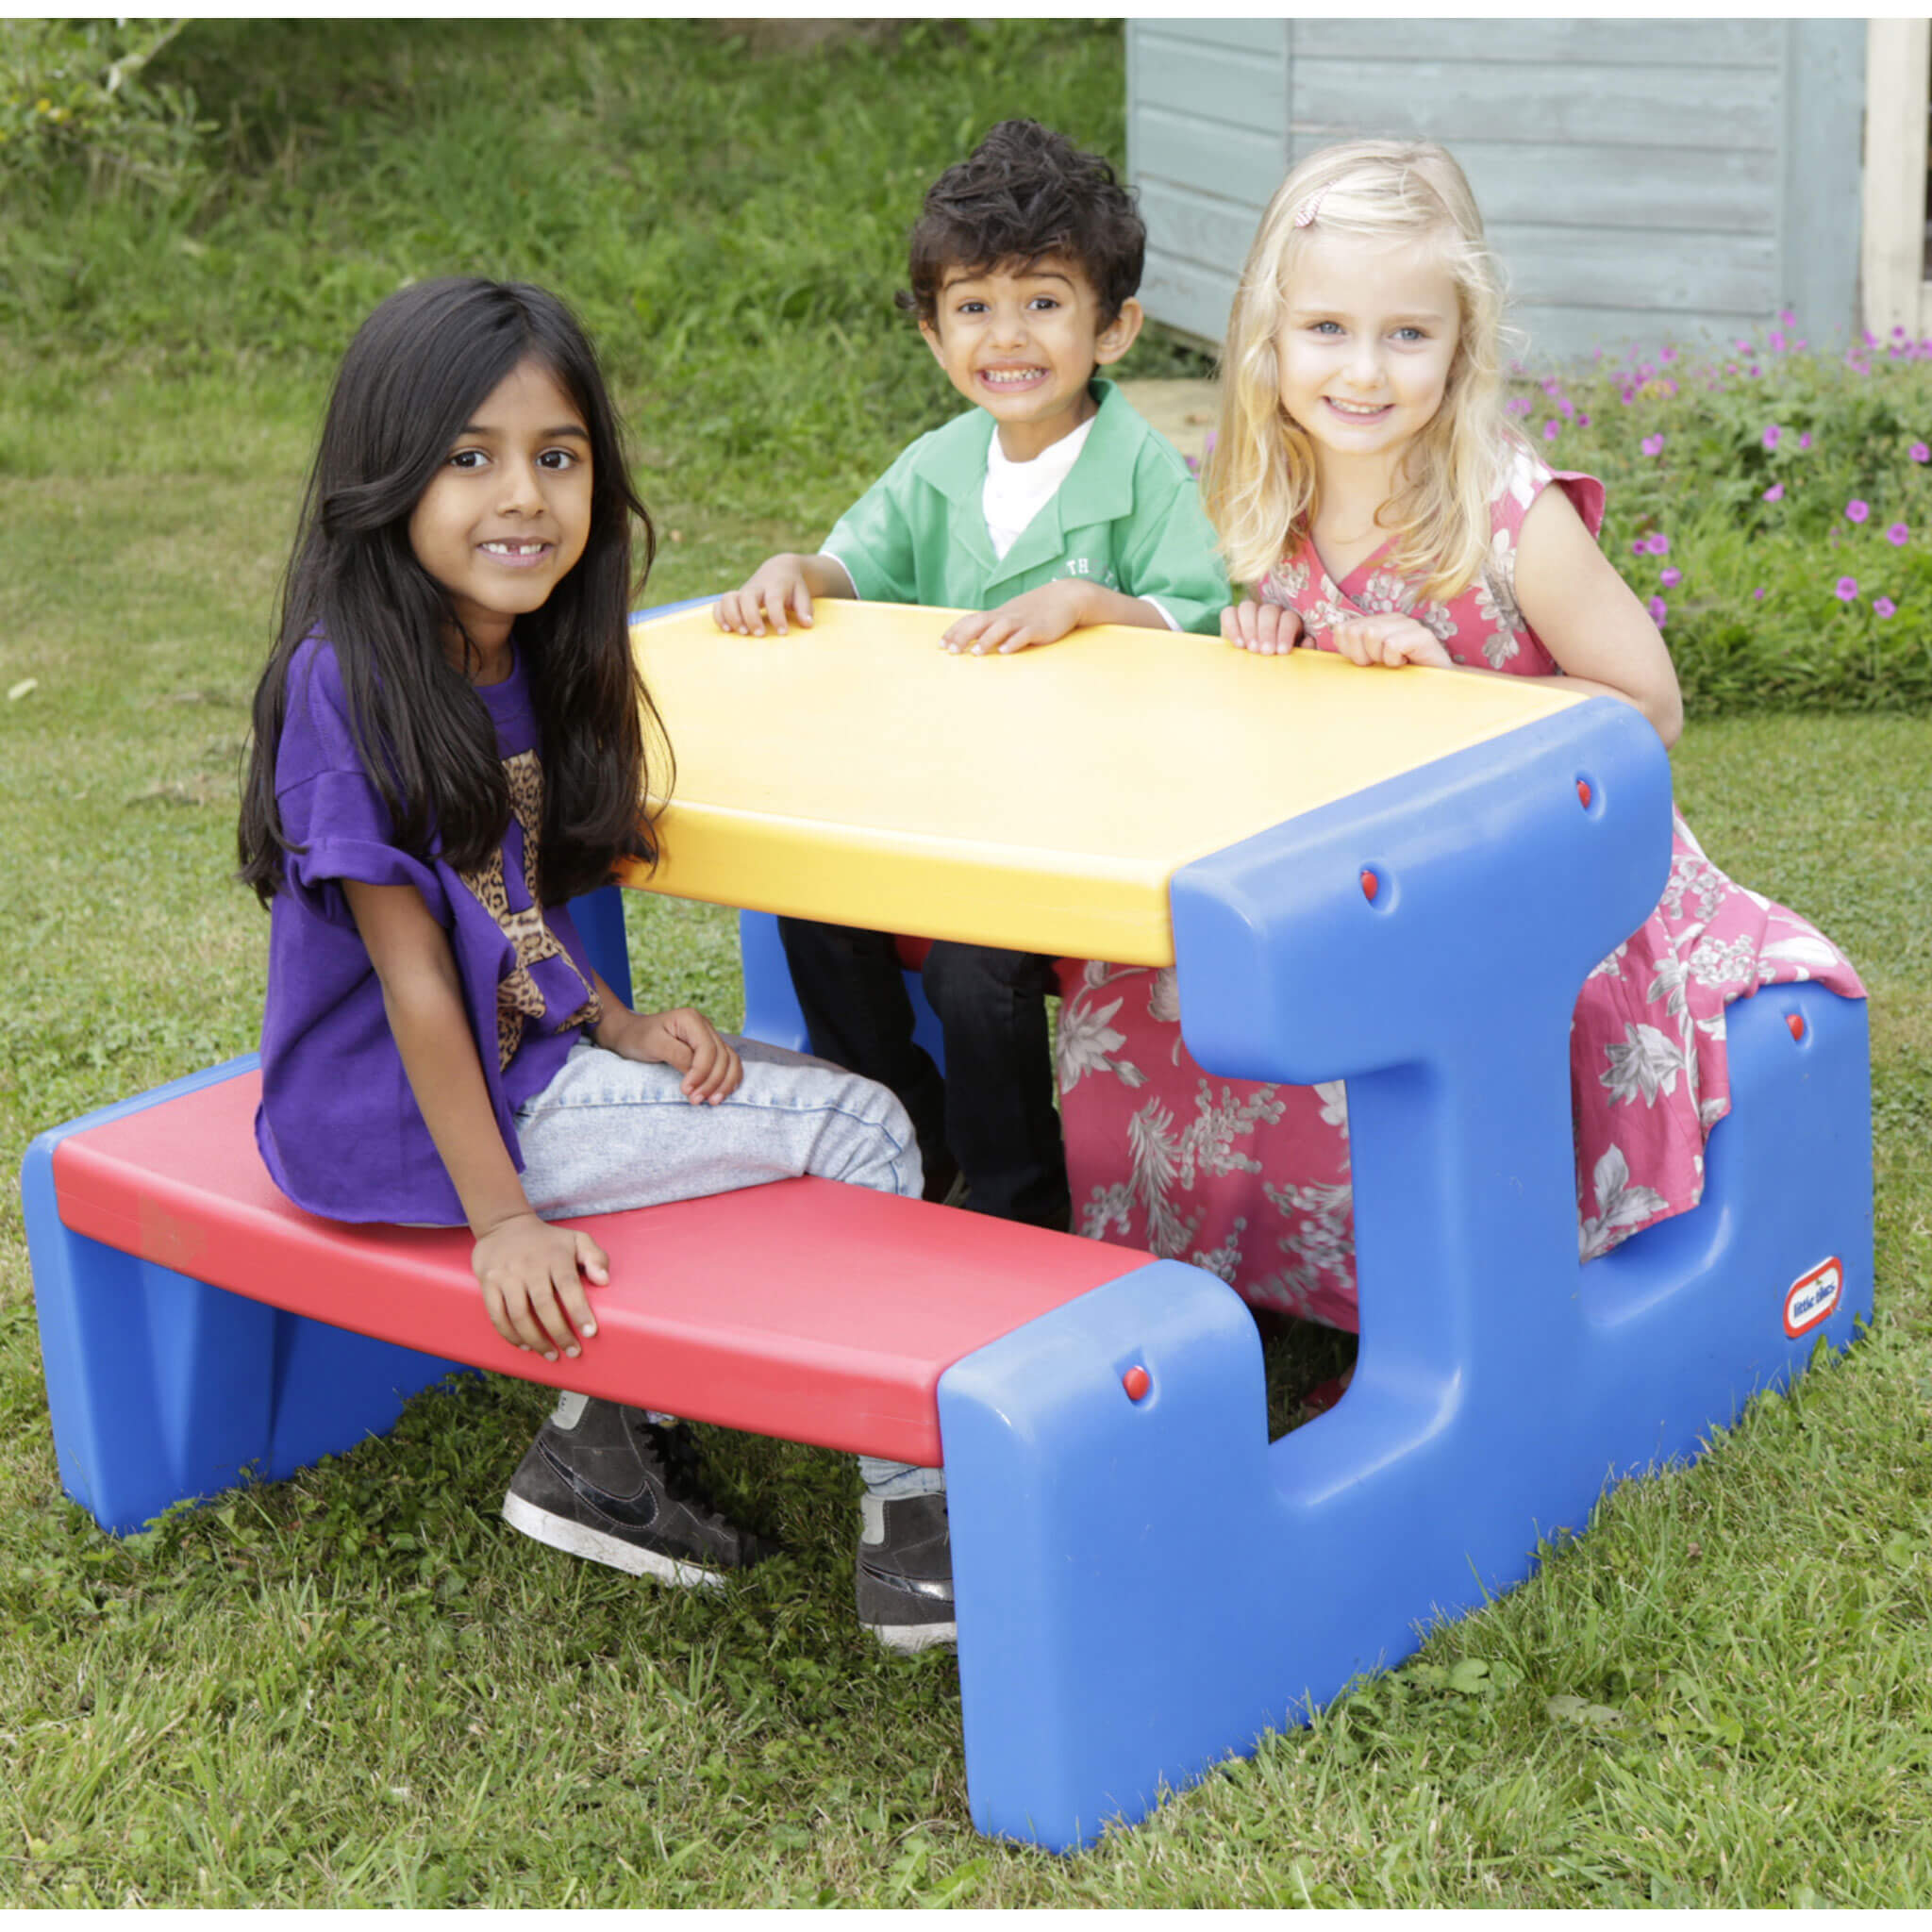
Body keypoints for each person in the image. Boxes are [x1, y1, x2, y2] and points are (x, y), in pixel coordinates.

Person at [236, 277, 954, 1654]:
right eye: (471, 456)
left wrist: (613, 1021)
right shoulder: (355, 679)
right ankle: (919, 1532)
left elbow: (496, 898)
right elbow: (417, 979)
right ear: (383, 475)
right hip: (406, 1122)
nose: (524, 496)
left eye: (556, 457)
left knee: (766, 1091)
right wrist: (501, 1219)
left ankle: (602, 1453)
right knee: (864, 1124)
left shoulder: (504, 653)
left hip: (512, 1075)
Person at [1057, 139, 1864, 1333]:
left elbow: (1650, 705)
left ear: (1461, 343)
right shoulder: (1251, 489)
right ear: (1266, 339)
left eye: (1406, 335)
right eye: (1325, 329)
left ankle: (1431, 1315)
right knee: (1143, 984)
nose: (1363, 372)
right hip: (1346, 850)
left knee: (1408, 1017)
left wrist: (1460, 696)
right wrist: (1257, 634)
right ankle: (1209, 1279)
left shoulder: (1504, 513)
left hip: (1531, 862)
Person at [713, 118, 1229, 1235]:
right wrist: (792, 568)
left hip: (1088, 825)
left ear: (1115, 326)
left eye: (1043, 301)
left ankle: (1016, 1201)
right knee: (812, 900)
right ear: (932, 333)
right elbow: (857, 563)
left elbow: (1206, 627)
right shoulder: (937, 466)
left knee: (970, 962)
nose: (1008, 336)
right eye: (972, 307)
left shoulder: (1145, 476)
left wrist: (1104, 610)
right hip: (941, 804)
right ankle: (908, 1122)